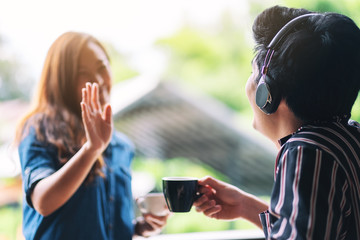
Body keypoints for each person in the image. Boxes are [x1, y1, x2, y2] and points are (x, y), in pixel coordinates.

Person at [194, 5, 360, 239]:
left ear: (266, 93)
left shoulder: (306, 152)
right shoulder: (348, 138)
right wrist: (244, 205)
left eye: (254, 73)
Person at [15, 31, 168, 239]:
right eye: (84, 73)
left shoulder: (121, 146)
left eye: (101, 67)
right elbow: (43, 201)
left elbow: (108, 225)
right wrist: (92, 149)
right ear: (64, 81)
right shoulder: (40, 130)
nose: (98, 80)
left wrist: (140, 228)